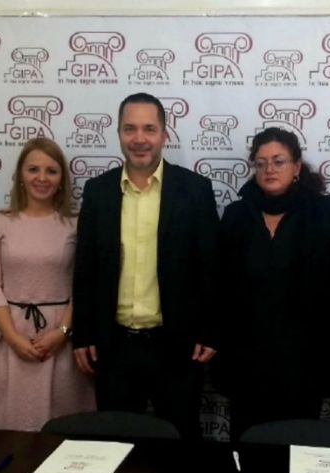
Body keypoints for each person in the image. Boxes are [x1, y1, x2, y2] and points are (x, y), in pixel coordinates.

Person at [71, 92, 221, 440]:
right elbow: (86, 269)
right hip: (114, 348)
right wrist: (83, 334)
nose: (139, 139)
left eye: (149, 129)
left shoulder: (195, 190)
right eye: (130, 129)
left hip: (177, 347)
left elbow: (211, 266)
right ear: (119, 134)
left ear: (164, 135)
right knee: (116, 446)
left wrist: (210, 331)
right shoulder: (98, 191)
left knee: (180, 443)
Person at [213, 127, 330, 441]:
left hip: (304, 363)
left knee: (297, 452)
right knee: (248, 450)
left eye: (278, 161)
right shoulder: (236, 216)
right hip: (247, 363)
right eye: (261, 163)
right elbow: (220, 288)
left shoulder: (327, 215)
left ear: (297, 167)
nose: (269, 170)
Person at [0, 138, 96, 431]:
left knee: (62, 431)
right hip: (10, 336)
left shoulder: (77, 223)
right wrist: (13, 338)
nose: (42, 178)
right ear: (20, 175)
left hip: (60, 341)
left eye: (51, 171)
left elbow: (85, 284)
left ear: (62, 179)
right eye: (33, 169)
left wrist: (62, 333)